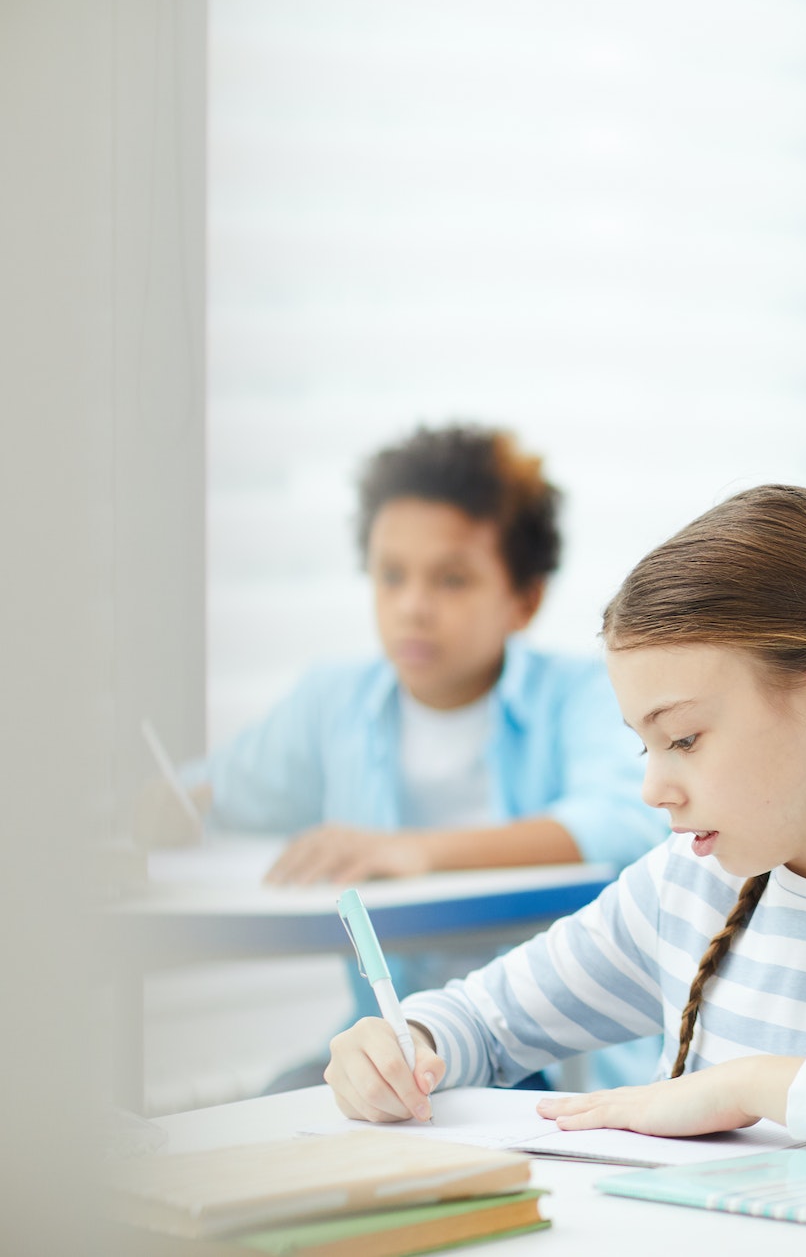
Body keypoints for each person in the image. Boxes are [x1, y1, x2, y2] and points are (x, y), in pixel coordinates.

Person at [322, 485, 806, 1178]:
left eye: (685, 738)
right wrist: (402, 1043)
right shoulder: (686, 888)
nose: (652, 788)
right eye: (645, 743)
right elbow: (485, 1021)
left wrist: (751, 1085)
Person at [182, 425, 668, 1084]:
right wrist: (156, 807)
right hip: (393, 1042)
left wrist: (417, 849)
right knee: (277, 1101)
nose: (412, 606)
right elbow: (224, 789)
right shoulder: (335, 702)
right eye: (391, 576)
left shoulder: (580, 692)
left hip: (547, 1061)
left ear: (524, 599)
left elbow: (623, 818)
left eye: (452, 579)